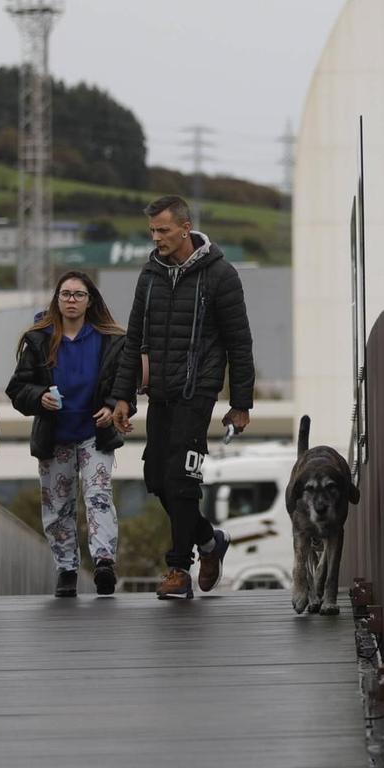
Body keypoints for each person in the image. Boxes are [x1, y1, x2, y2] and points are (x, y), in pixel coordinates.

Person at [121, 195, 255, 600]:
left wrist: (241, 403)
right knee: (158, 480)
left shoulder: (221, 275)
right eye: (152, 231)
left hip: (198, 392)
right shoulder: (150, 274)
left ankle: (178, 569)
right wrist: (121, 397)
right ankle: (210, 541)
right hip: (159, 392)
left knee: (182, 479)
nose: (156, 238)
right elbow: (132, 341)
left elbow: (239, 343)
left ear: (185, 227)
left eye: (163, 230)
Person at [7, 271, 133, 597]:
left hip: (96, 432)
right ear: (57, 299)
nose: (72, 300)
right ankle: (66, 568)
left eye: (78, 294)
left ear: (90, 300)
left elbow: (125, 385)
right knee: (58, 504)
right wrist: (39, 398)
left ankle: (104, 561)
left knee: (98, 496)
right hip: (56, 434)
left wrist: (113, 406)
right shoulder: (39, 339)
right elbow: (18, 388)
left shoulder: (110, 339)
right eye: (66, 294)